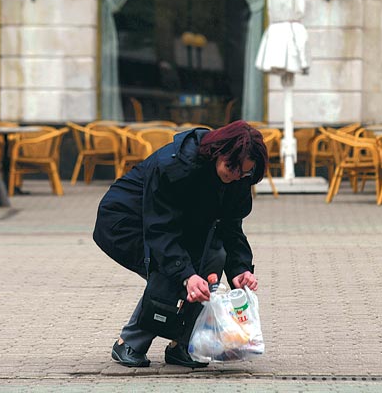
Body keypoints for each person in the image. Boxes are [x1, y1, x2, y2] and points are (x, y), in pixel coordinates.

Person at [93, 120, 268, 368]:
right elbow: (160, 231)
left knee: (211, 258)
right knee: (174, 269)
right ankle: (129, 343)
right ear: (218, 152)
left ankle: (182, 345)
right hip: (126, 221)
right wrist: (186, 275)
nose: (235, 175)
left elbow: (230, 227)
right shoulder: (174, 166)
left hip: (171, 225)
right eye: (232, 167)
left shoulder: (238, 178)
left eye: (244, 172)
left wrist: (240, 269)